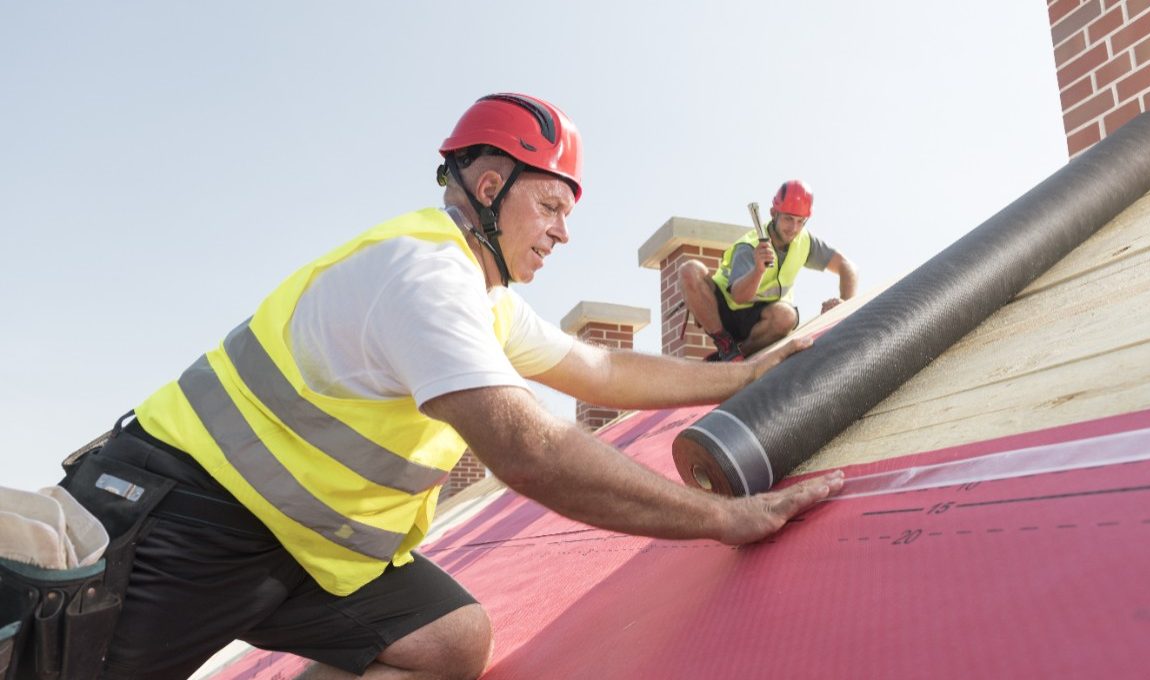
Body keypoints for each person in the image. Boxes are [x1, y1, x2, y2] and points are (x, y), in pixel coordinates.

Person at [76, 93, 844, 680]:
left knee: (452, 637)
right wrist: (724, 518)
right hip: (189, 526)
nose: (562, 232)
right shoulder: (423, 275)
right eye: (550, 205)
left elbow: (601, 367)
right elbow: (532, 452)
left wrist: (738, 376)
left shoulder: (487, 299)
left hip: (309, 556)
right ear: (487, 183)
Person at [677, 180, 858, 361]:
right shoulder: (749, 245)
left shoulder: (805, 241)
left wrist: (845, 306)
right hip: (724, 311)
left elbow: (847, 267)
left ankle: (736, 355)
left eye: (800, 221)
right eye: (788, 218)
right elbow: (739, 296)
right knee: (689, 270)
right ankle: (725, 345)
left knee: (786, 316)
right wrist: (758, 271)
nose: (793, 228)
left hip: (761, 321)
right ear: (774, 213)